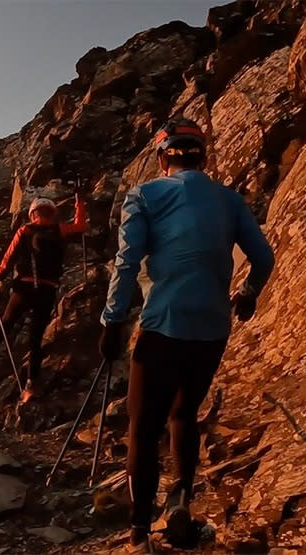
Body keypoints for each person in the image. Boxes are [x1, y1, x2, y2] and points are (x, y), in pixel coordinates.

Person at [99, 117, 275, 551]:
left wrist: (112, 320)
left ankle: (140, 534)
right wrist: (248, 294)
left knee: (142, 427)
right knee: (184, 414)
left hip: (163, 324)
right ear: (202, 155)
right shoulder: (229, 200)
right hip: (212, 328)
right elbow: (264, 257)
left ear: (163, 158)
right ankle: (181, 499)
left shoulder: (144, 195)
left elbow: (126, 262)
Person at [0, 193, 89, 403]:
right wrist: (79, 204)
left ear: (33, 213)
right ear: (52, 212)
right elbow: (81, 226)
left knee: (7, 323)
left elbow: (8, 259)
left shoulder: (26, 230)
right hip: (47, 290)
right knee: (36, 338)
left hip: (24, 288)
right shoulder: (60, 230)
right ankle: (30, 386)